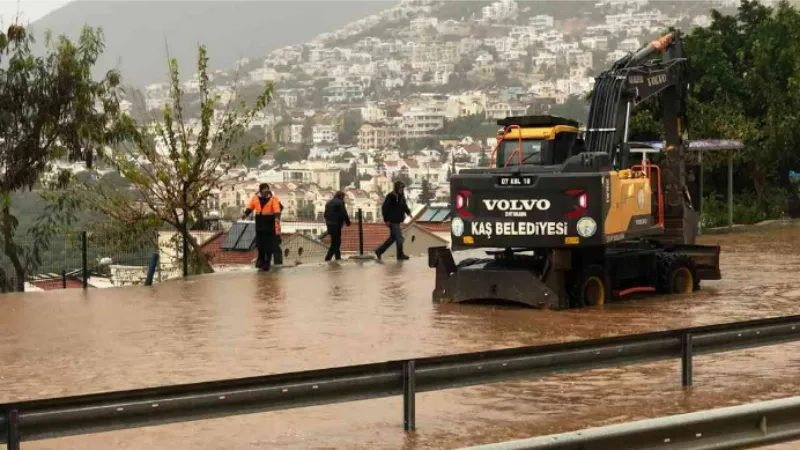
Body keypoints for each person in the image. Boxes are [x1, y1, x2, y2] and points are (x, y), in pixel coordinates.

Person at [242, 183, 281, 271]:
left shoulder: (273, 198)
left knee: (269, 245)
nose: (266, 191)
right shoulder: (255, 198)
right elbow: (250, 207)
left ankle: (267, 262)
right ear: (260, 190)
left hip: (269, 224)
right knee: (260, 244)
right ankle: (261, 260)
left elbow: (276, 209)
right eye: (264, 189)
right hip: (259, 224)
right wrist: (245, 214)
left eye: (267, 189)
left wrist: (277, 218)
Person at [375, 181, 412, 261]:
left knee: (392, 238)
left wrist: (408, 212)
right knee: (399, 238)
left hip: (397, 220)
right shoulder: (390, 196)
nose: (401, 189)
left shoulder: (402, 196)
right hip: (392, 221)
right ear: (396, 188)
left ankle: (379, 251)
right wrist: (386, 220)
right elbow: (384, 208)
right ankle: (400, 255)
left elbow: (404, 205)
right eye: (400, 188)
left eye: (402, 188)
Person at [324, 191, 351, 261]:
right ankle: (328, 257)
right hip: (336, 225)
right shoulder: (340, 202)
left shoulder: (328, 202)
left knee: (335, 241)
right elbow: (344, 213)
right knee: (336, 242)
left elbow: (325, 214)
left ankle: (337, 257)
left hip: (329, 224)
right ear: (341, 196)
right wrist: (348, 222)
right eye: (343, 197)